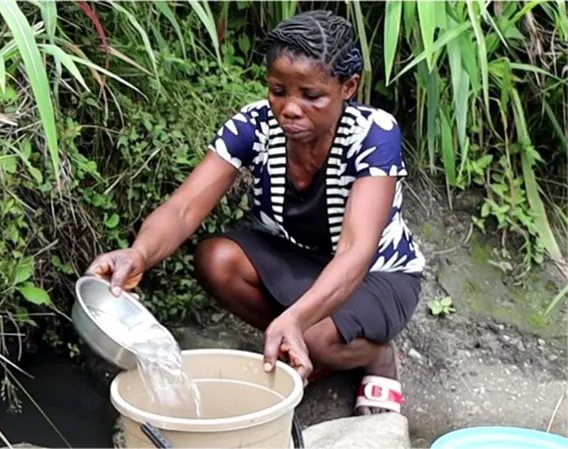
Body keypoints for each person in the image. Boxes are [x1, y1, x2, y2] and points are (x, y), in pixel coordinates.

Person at [85, 10, 425, 415]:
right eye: (278, 90)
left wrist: (297, 319)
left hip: (374, 273)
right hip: (296, 258)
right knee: (217, 260)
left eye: (311, 95)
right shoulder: (254, 125)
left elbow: (356, 249)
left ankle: (374, 355)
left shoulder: (373, 133)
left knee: (316, 335)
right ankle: (300, 336)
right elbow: (183, 207)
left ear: (347, 87)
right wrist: (138, 254)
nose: (290, 108)